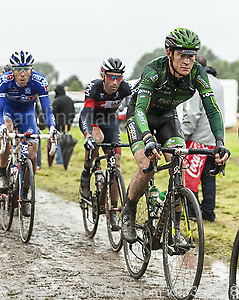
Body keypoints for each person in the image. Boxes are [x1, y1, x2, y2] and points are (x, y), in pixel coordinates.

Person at [121, 28, 230, 245]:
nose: (187, 61)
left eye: (191, 56)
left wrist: (219, 142)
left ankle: (176, 229)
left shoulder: (197, 73)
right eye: (182, 55)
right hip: (140, 115)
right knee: (146, 165)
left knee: (179, 163)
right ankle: (129, 212)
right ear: (169, 53)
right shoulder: (154, 70)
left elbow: (212, 109)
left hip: (167, 118)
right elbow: (141, 110)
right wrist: (147, 138)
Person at [0, 50, 58, 216]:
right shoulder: (3, 81)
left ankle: (25, 195)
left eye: (26, 69)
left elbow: (47, 110)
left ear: (31, 69)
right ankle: (2, 173)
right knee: (6, 134)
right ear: (12, 70)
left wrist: (52, 127)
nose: (22, 74)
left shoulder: (40, 82)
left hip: (28, 115)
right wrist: (0, 126)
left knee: (32, 155)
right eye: (18, 69)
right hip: (8, 113)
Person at [79, 58, 131, 229]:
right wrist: (88, 135)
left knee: (116, 164)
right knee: (97, 138)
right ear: (103, 75)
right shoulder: (94, 87)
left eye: (118, 77)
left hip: (110, 122)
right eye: (111, 77)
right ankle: (87, 172)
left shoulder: (125, 88)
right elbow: (87, 113)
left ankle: (114, 211)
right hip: (92, 120)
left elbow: (132, 111)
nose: (115, 82)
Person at [181, 55, 224, 222]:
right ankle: (208, 213)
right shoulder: (218, 83)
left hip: (198, 139)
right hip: (215, 139)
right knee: (209, 178)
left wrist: (182, 135)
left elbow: (192, 114)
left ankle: (193, 212)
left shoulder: (196, 83)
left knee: (191, 178)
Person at [52, 84, 75, 165]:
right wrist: (70, 122)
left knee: (59, 142)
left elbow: (53, 113)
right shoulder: (70, 100)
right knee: (65, 142)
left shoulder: (57, 100)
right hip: (67, 125)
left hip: (59, 125)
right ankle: (65, 159)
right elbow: (73, 113)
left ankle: (59, 161)